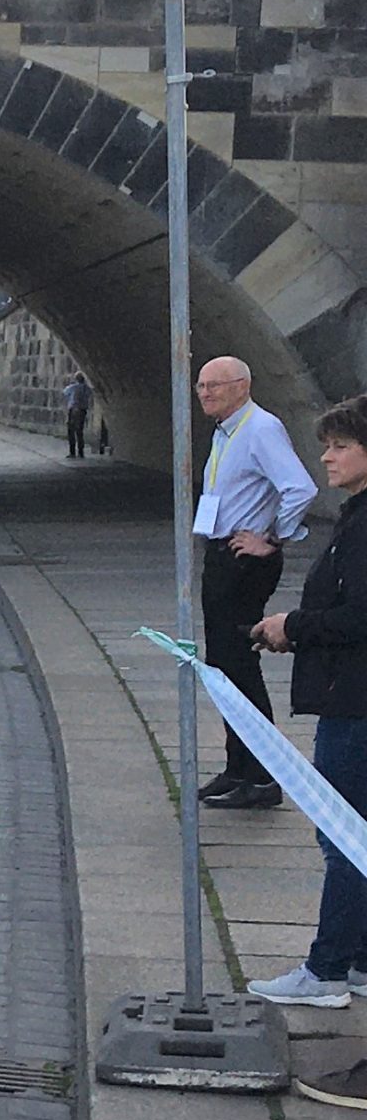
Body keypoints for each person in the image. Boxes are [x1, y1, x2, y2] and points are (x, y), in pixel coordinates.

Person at [245, 396, 367, 1016]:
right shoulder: (357, 517)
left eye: (340, 445)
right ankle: (360, 959)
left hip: (355, 704)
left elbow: (360, 616)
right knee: (357, 831)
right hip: (349, 696)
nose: (326, 456)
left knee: (341, 833)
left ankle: (326, 971)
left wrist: (293, 625)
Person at [194, 356, 319, 810]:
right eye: (201, 386)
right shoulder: (227, 429)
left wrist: (273, 538)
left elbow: (300, 488)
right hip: (224, 553)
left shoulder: (261, 428)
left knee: (239, 667)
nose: (206, 393)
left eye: (216, 385)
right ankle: (238, 766)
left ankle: (263, 777)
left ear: (242, 386)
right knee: (223, 665)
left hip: (244, 560)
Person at [63, 371, 94, 460]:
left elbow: (65, 392)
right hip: (82, 410)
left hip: (73, 409)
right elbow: (90, 394)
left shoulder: (73, 387)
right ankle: (81, 452)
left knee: (71, 430)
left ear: (76, 379)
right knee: (80, 431)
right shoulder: (87, 388)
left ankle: (72, 452)